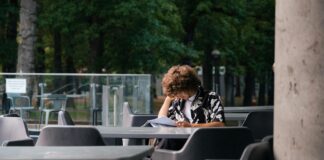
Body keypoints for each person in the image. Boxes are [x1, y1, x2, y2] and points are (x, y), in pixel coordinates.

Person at [155, 65, 225, 149]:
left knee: (167, 141)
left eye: (178, 92)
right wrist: (168, 99)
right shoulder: (178, 100)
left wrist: (191, 126)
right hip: (180, 142)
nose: (176, 95)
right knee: (162, 139)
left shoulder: (211, 97)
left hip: (203, 141)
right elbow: (162, 119)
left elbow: (220, 124)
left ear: (188, 86)